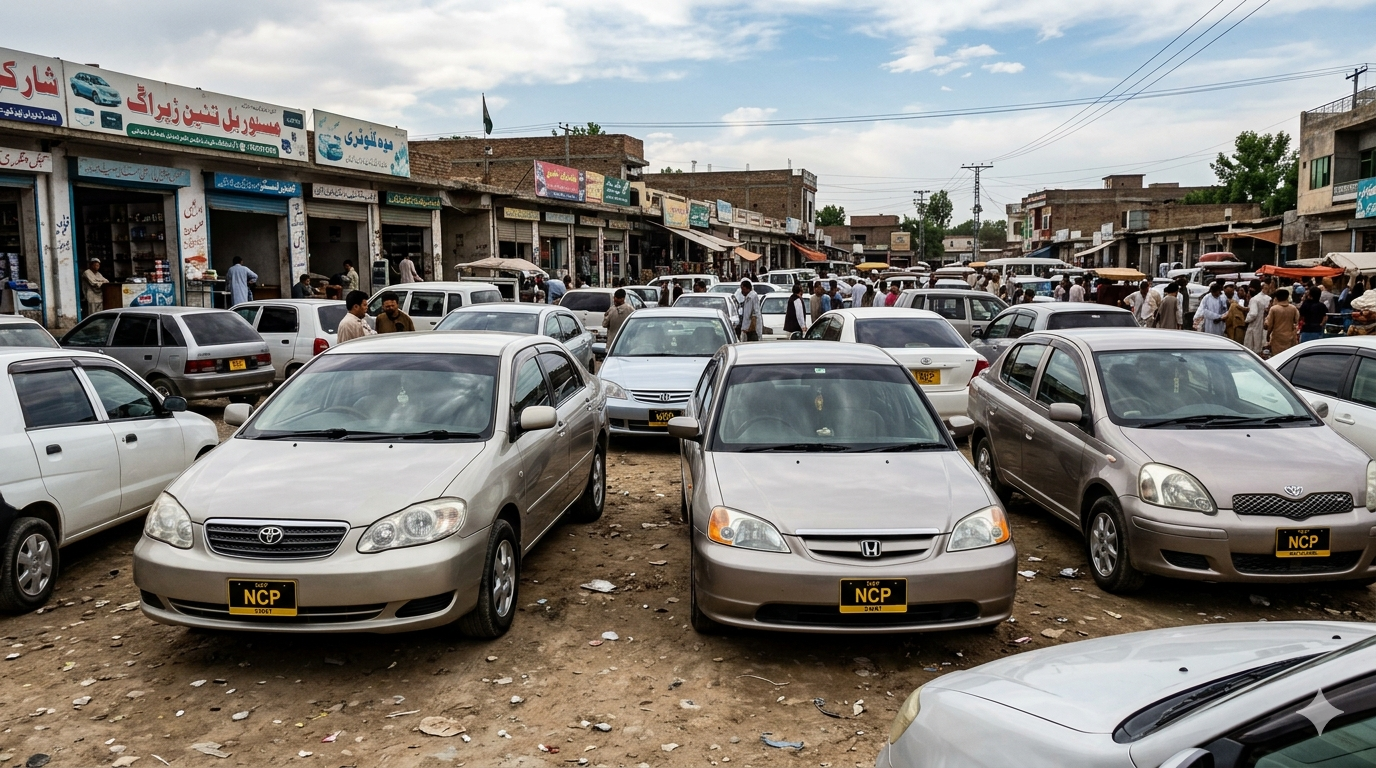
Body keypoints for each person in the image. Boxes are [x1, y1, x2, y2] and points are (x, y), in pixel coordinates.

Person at [1265, 288, 1300, 355]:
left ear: (1276, 298)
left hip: (1277, 338)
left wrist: (1268, 335)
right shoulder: (1293, 308)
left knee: (1278, 356)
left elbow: (1270, 325)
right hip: (1290, 337)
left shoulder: (1274, 309)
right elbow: (1296, 320)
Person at [1243, 285, 1267, 353]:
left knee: (1251, 349)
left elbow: (1253, 314)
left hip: (1254, 326)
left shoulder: (1254, 299)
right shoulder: (1265, 298)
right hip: (1262, 326)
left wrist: (1246, 320)